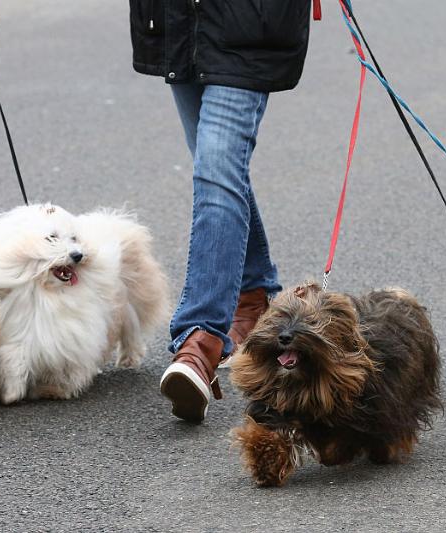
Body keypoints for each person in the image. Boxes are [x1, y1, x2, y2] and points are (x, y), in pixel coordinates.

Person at [129, 1, 317, 423]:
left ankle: (200, 341)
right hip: (176, 19)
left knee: (216, 170)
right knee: (217, 167)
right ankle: (252, 298)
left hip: (249, 21)